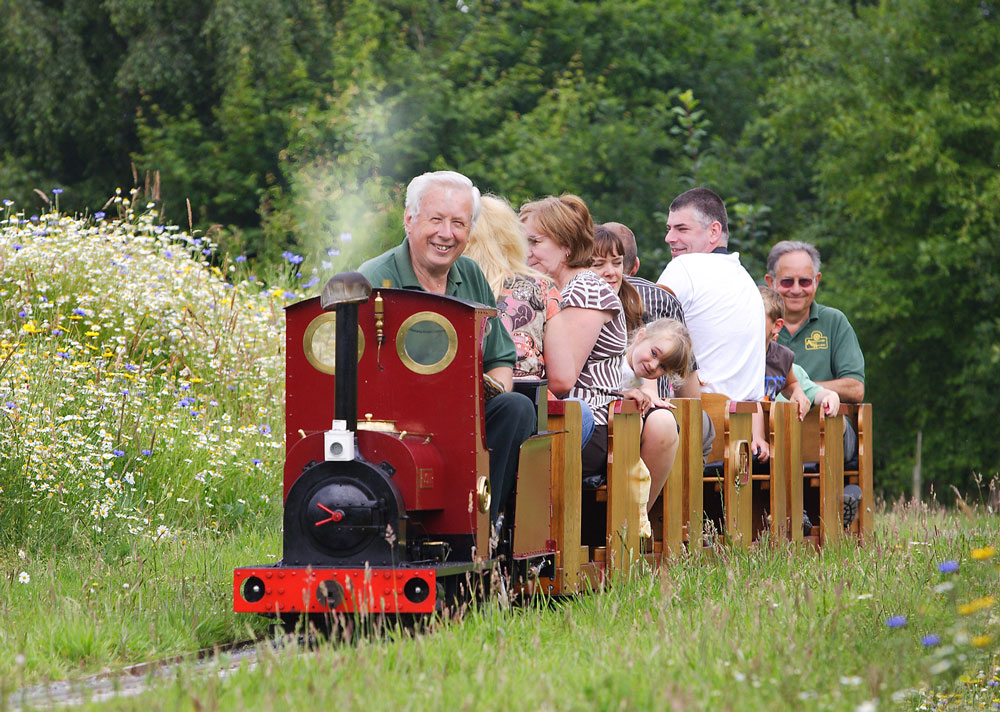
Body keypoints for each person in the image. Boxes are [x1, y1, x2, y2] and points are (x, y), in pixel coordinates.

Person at [357, 171, 536, 523]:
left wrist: (487, 391)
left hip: (464, 416)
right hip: (397, 423)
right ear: (409, 220)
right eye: (436, 220)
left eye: (458, 223)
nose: (446, 233)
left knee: (516, 408)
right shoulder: (375, 279)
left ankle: (483, 526)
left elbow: (500, 359)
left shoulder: (470, 275)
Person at [464, 195, 595, 446]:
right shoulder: (541, 288)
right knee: (581, 413)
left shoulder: (447, 284)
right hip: (521, 411)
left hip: (461, 406)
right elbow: (563, 378)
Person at [655, 187, 768, 458]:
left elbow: (644, 331)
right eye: (669, 228)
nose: (670, 238)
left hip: (700, 428)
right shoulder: (745, 279)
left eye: (681, 229)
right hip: (743, 434)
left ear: (714, 232)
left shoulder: (686, 267)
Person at [521, 194, 626, 479]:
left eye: (535, 241)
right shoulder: (549, 290)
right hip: (557, 418)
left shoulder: (584, 290)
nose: (525, 251)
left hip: (588, 425)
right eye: (523, 241)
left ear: (566, 246)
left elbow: (561, 380)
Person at [590, 226, 689, 512]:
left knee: (658, 421)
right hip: (593, 405)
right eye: (599, 264)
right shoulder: (575, 299)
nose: (610, 272)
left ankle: (637, 516)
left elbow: (640, 356)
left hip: (619, 408)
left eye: (617, 263)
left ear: (629, 265)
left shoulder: (633, 301)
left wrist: (649, 390)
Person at [764, 241, 865, 403]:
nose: (796, 290)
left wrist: (801, 389)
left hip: (826, 422)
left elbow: (855, 388)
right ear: (770, 282)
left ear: (816, 281)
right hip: (768, 423)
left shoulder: (835, 321)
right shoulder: (755, 324)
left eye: (804, 281)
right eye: (787, 282)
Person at [758, 285, 813, 420]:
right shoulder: (736, 353)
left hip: (769, 427)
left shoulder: (782, 357)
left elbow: (790, 383)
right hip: (738, 427)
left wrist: (797, 392)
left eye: (757, 318)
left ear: (776, 326)